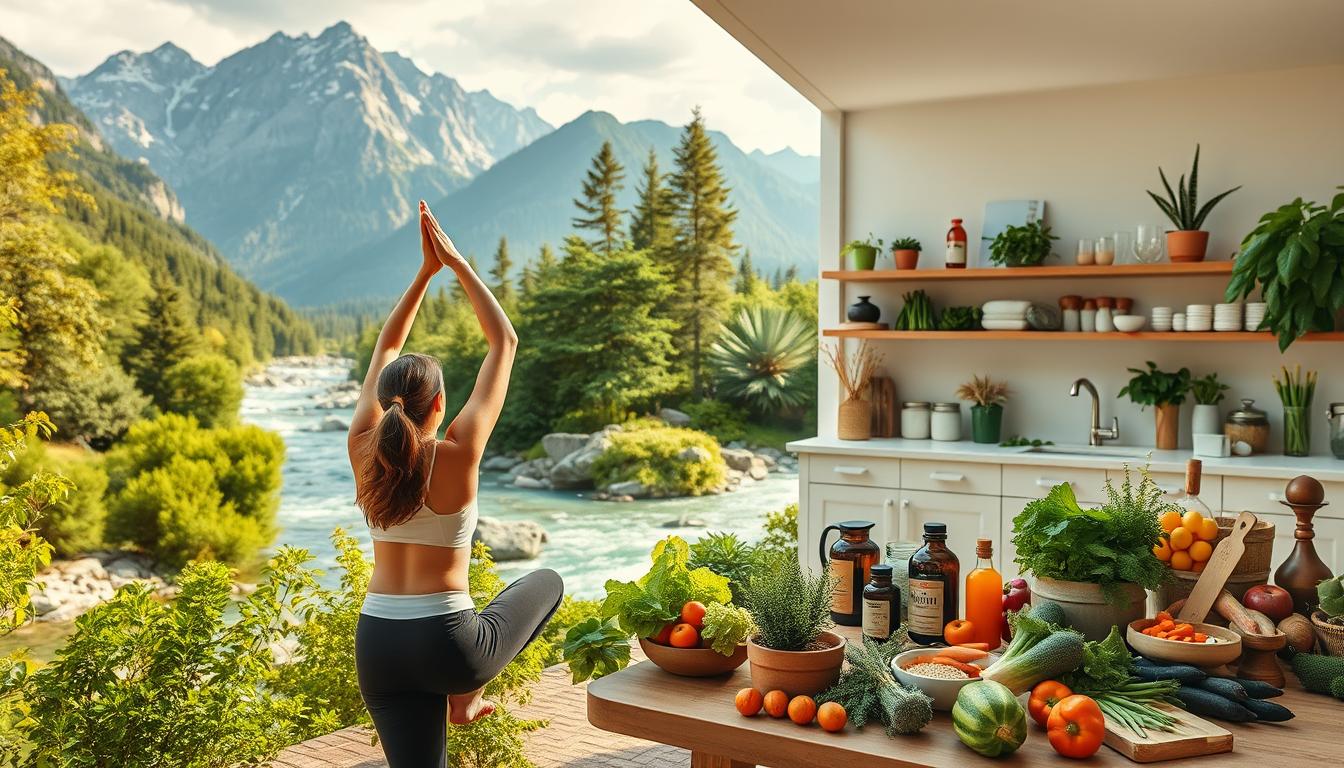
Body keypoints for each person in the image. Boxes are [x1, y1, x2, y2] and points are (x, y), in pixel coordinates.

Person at [349, 201, 563, 767]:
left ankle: (464, 696)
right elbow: (504, 341)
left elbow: (385, 350)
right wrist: (455, 263)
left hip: (378, 647)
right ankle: (467, 700)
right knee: (548, 580)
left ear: (384, 403)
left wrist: (421, 275)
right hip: (450, 645)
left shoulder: (362, 450)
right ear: (441, 404)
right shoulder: (459, 452)